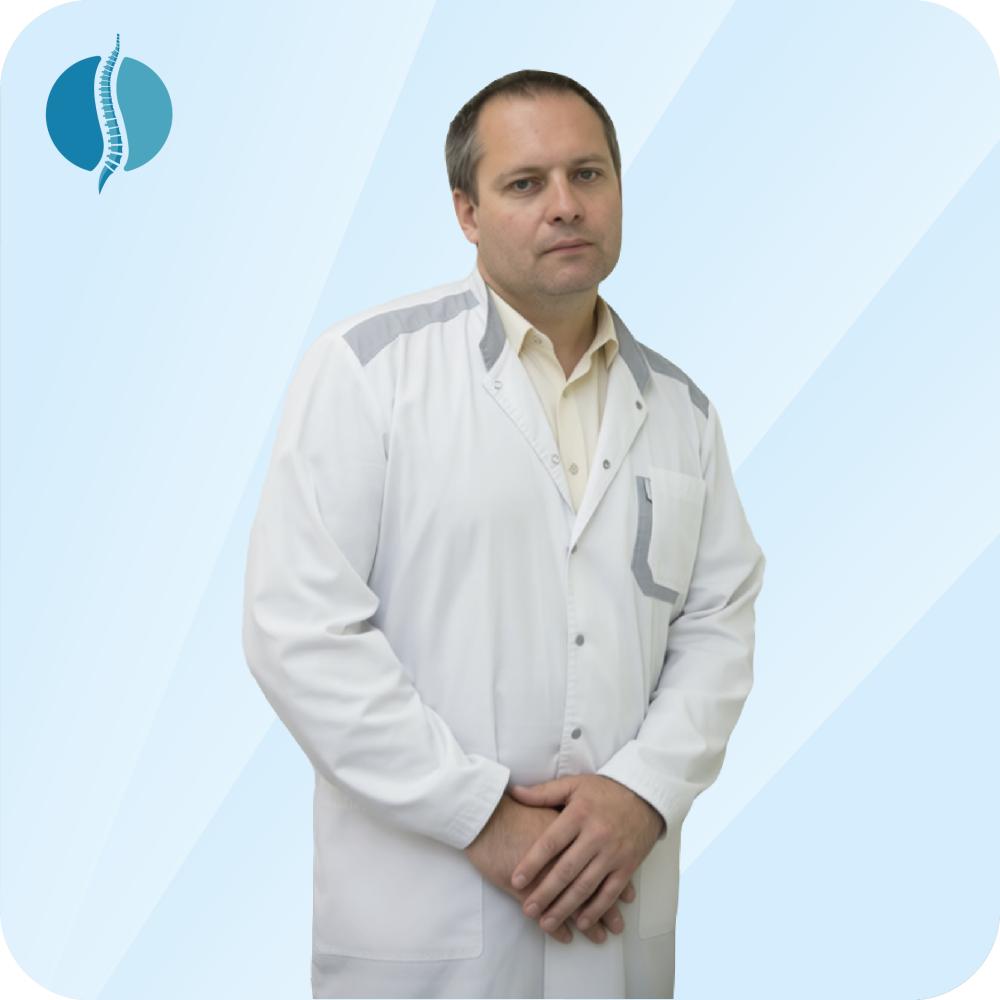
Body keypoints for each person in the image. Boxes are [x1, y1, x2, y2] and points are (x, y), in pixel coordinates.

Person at [242, 68, 766, 999]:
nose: (565, 205)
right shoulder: (369, 371)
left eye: (588, 174)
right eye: (525, 183)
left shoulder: (682, 410)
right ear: (467, 212)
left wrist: (643, 793)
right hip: (428, 925)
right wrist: (481, 816)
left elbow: (718, 624)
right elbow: (299, 631)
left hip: (617, 914)